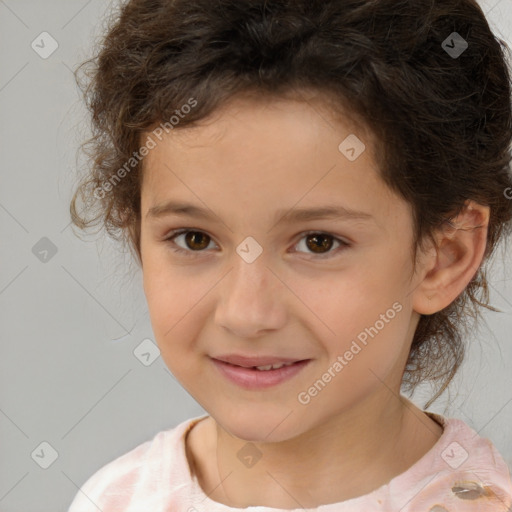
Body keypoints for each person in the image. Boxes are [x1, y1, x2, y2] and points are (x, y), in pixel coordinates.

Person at [67, 0, 512, 510]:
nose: (246, 313)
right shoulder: (116, 500)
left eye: (317, 242)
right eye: (194, 238)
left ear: (443, 257)